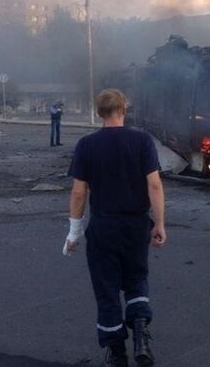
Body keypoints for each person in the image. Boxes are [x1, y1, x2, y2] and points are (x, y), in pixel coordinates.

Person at [63, 89, 167, 367]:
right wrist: (158, 223)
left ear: (100, 113)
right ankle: (141, 338)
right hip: (135, 226)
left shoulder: (86, 145)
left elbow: (78, 193)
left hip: (103, 226)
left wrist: (74, 231)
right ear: (124, 109)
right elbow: (155, 185)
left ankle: (116, 352)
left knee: (107, 288)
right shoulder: (142, 141)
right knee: (136, 280)